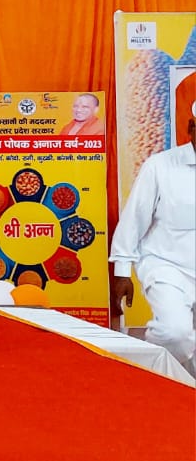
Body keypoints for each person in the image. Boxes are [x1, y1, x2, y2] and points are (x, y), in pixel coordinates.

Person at [110, 102, 195, 375]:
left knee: (187, 348)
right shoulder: (160, 166)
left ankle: (179, 387)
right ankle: (146, 372)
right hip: (167, 266)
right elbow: (134, 219)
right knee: (174, 333)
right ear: (191, 128)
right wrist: (122, 271)